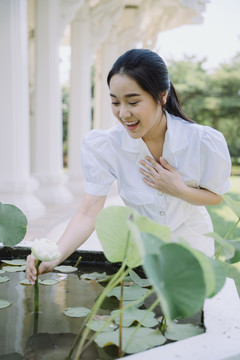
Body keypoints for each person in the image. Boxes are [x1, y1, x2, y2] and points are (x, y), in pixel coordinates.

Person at [26, 49, 231, 285]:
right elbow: (88, 212)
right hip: (142, 255)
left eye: (133, 102)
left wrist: (178, 189)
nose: (123, 113)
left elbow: (215, 197)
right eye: (115, 102)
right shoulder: (106, 146)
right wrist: (55, 255)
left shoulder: (202, 141)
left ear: (162, 95)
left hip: (194, 249)